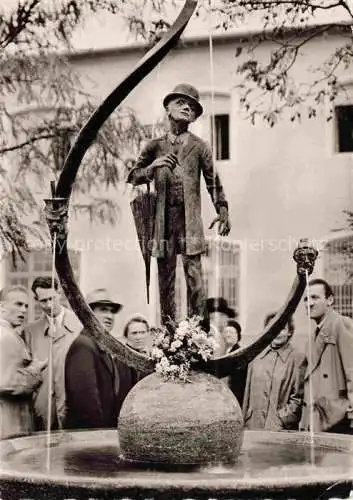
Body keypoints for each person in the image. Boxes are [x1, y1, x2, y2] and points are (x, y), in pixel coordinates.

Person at [127, 83, 231, 325]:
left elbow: (212, 182)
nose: (187, 108)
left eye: (192, 106)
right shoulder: (154, 146)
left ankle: (199, 335)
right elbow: (133, 176)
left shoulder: (200, 146)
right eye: (181, 103)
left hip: (190, 221)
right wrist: (153, 167)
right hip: (163, 221)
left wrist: (223, 209)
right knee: (165, 280)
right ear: (167, 107)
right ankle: (169, 335)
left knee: (195, 278)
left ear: (194, 116)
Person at [25, 277, 82, 430]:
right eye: (43, 301)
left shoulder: (80, 325)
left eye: (52, 298)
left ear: (60, 293)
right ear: (36, 300)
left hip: (73, 408)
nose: (49, 305)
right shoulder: (31, 332)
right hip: (43, 413)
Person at [64, 289, 124, 430]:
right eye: (103, 310)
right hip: (88, 437)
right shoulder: (83, 346)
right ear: (87, 314)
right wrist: (100, 436)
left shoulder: (101, 347)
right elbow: (86, 404)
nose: (109, 316)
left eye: (112, 311)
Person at [299, 278, 353, 433]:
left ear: (329, 300)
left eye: (315, 297)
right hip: (320, 418)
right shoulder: (313, 337)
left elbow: (351, 370)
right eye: (306, 299)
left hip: (338, 418)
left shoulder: (341, 324)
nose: (309, 304)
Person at [0, 286, 46, 439]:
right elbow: (6, 383)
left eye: (26, 306)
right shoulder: (6, 336)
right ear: (2, 306)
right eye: (18, 304)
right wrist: (34, 370)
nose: (24, 310)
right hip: (10, 425)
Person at [242, 313, 303, 431]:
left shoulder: (298, 358)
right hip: (252, 425)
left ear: (290, 332)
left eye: (282, 328)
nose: (276, 332)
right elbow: (247, 395)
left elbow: (299, 398)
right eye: (272, 328)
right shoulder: (256, 356)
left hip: (279, 429)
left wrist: (282, 420)